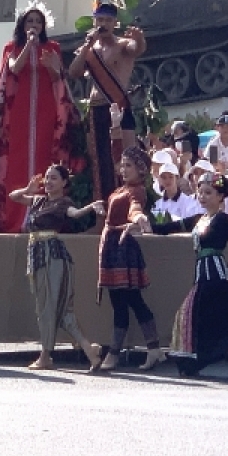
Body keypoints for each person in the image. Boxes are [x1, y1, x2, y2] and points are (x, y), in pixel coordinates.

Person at [0, 2, 82, 232]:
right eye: (30, 21)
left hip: (45, 110)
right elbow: (14, 69)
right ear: (22, 25)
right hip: (19, 112)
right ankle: (15, 216)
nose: (34, 25)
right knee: (17, 161)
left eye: (38, 22)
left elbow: (58, 77)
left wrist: (52, 66)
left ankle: (42, 214)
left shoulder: (53, 47)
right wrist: (29, 46)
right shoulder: (12, 47)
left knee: (42, 156)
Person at [146, 174, 228, 378]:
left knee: (203, 323)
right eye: (200, 192)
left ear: (220, 196)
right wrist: (143, 223)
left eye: (208, 193)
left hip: (217, 279)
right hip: (203, 278)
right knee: (201, 324)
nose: (202, 196)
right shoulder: (200, 219)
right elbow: (169, 227)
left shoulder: (223, 219)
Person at [9, 165, 104, 371]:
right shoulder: (38, 200)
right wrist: (28, 188)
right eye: (47, 178)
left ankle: (45, 356)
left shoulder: (63, 203)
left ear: (64, 183)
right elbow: (13, 196)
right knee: (57, 309)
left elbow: (75, 214)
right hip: (36, 255)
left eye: (54, 178)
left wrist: (91, 207)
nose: (49, 182)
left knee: (49, 307)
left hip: (52, 256)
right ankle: (90, 350)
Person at [68, 0, 147, 201]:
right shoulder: (89, 49)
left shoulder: (122, 45)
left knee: (126, 158)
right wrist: (86, 45)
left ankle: (129, 205)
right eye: (99, 19)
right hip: (96, 109)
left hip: (118, 105)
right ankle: (103, 211)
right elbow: (74, 72)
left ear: (115, 23)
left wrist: (139, 39)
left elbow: (136, 49)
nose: (103, 24)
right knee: (100, 161)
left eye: (107, 20)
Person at [97, 146, 163, 372]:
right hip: (113, 246)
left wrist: (139, 217)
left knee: (128, 301)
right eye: (122, 165)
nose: (123, 169)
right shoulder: (121, 189)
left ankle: (116, 353)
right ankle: (152, 349)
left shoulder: (137, 191)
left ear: (141, 170)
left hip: (122, 247)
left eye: (129, 165)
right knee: (125, 301)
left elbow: (135, 208)